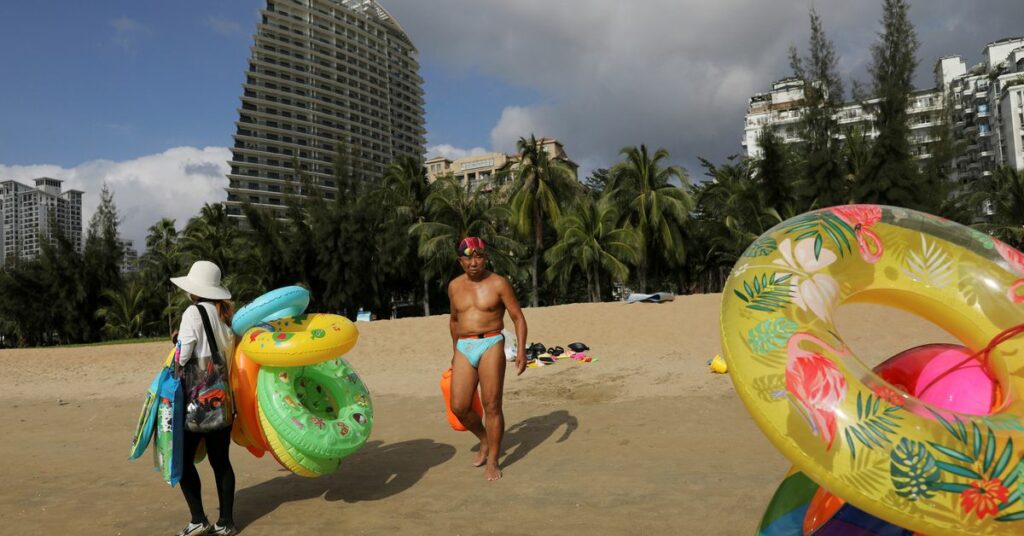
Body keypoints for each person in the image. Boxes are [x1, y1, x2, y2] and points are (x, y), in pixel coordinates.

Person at [447, 237, 527, 481]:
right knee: (458, 406)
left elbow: (518, 318)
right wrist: (454, 352)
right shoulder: (454, 286)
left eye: (479, 256)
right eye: (469, 257)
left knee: (492, 405)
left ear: (486, 258)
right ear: (460, 261)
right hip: (464, 345)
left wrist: (521, 351)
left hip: (491, 341)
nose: (474, 262)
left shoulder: (498, 283)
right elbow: (453, 320)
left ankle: (493, 459)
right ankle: (484, 438)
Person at [170, 260, 238, 536]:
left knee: (183, 461)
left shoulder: (193, 312)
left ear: (195, 289)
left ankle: (198, 519)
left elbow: (184, 356)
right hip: (223, 399)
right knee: (221, 461)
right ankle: (227, 523)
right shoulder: (224, 316)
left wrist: (175, 346)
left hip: (198, 403)